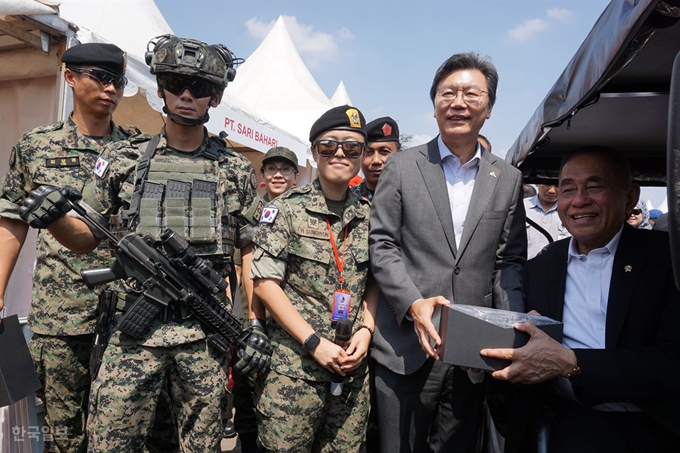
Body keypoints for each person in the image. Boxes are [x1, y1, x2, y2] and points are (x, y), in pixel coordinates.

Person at [19, 34, 271, 451]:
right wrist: (54, 220)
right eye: (175, 83)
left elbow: (250, 255)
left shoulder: (236, 170)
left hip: (202, 334)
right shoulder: (124, 159)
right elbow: (85, 237)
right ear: (159, 89)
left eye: (201, 88)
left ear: (217, 96)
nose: (187, 95)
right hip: (130, 333)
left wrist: (253, 324)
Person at [368, 52, 526, 452]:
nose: (458, 103)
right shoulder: (402, 167)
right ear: (434, 103)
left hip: (472, 355)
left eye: (472, 94)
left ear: (488, 108)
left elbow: (508, 262)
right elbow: (382, 244)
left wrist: (512, 332)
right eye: (448, 93)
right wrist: (413, 304)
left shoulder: (507, 178)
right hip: (405, 348)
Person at [482, 147, 680, 452]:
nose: (579, 200)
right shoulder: (540, 268)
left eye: (594, 186)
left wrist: (574, 363)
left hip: (654, 424)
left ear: (630, 197)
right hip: (567, 423)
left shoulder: (667, 261)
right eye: (568, 189)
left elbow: (672, 360)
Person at [0, 42, 135, 452]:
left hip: (128, 315)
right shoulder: (35, 146)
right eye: (100, 77)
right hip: (60, 314)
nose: (110, 89)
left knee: (123, 432)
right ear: (70, 77)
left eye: (118, 81)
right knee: (64, 434)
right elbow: (11, 222)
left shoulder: (138, 151)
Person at [251, 105, 378, 452]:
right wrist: (313, 343)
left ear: (363, 155)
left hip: (351, 370)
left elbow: (374, 282)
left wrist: (367, 329)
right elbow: (265, 283)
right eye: (328, 146)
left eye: (352, 147)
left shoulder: (371, 215)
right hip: (294, 372)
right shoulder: (285, 210)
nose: (340, 153)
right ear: (313, 152)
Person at [234, 146, 299, 453]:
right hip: (249, 316)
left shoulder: (303, 213)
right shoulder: (251, 214)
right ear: (262, 177)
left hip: (288, 321)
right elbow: (238, 265)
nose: (277, 174)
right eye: (270, 168)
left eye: (285, 169)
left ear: (295, 178)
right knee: (245, 394)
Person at [353, 116, 401, 201]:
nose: (376, 160)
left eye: (384, 151)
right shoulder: (350, 198)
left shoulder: (413, 197)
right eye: (369, 152)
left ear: (400, 155)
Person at [524, 184, 570, 259]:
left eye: (557, 185)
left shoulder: (569, 211)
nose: (552, 190)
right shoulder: (521, 207)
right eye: (547, 184)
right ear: (537, 184)